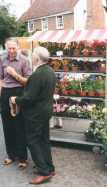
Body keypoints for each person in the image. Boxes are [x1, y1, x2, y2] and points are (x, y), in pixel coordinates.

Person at [11, 46, 56, 185]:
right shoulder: (50, 71)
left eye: (33, 55)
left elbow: (29, 98)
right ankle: (49, 167)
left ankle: (44, 172)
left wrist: (15, 99)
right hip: (45, 111)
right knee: (43, 140)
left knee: (33, 141)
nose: (31, 57)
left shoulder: (38, 74)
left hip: (36, 114)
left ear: (36, 57)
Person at [0, 38, 32, 168]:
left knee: (19, 125)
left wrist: (14, 74)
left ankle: (23, 157)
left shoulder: (24, 60)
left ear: (18, 48)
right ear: (6, 48)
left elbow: (28, 82)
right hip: (5, 93)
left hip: (19, 93)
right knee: (7, 125)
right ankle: (11, 155)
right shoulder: (2, 59)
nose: (11, 51)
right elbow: (1, 78)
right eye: (9, 48)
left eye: (14, 48)